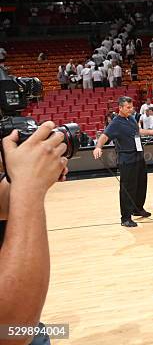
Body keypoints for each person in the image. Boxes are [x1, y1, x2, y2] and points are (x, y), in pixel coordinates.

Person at [0, 122, 69, 344]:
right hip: (17, 321)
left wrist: (29, 173)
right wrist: (29, 186)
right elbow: (11, 328)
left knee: (42, 332)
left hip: (28, 319)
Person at [93, 96, 153, 227]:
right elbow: (104, 136)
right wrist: (98, 147)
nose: (131, 109)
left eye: (131, 107)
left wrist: (151, 132)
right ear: (120, 108)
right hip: (127, 160)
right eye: (128, 107)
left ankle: (137, 208)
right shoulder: (115, 123)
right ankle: (125, 217)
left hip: (139, 157)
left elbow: (138, 131)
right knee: (127, 189)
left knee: (141, 184)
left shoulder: (131, 119)